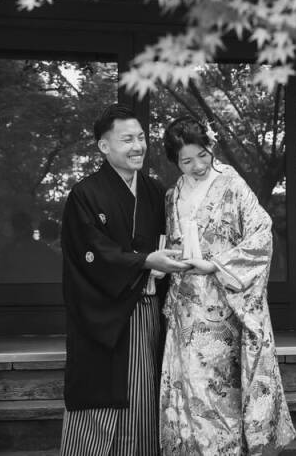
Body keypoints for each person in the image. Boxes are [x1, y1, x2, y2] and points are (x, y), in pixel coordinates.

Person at [159, 116, 296, 455]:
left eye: (202, 155)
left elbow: (261, 233)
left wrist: (216, 264)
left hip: (223, 304)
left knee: (219, 391)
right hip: (186, 305)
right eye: (186, 160)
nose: (197, 165)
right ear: (176, 161)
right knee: (188, 387)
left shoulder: (231, 183)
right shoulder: (172, 194)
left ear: (211, 147)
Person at [59, 104, 189, 456]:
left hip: (146, 308)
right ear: (104, 146)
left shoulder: (152, 189)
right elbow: (93, 254)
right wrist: (146, 260)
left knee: (143, 396)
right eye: (127, 139)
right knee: (100, 399)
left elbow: (168, 241)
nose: (138, 146)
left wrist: (164, 263)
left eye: (142, 137)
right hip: (103, 315)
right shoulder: (85, 195)